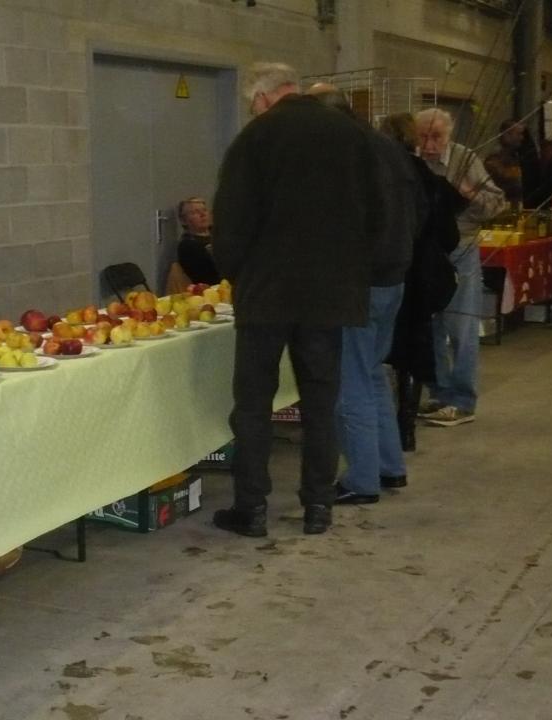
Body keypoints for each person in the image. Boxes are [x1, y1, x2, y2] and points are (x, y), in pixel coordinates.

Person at [211, 62, 378, 536]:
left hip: (267, 293)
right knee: (321, 402)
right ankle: (318, 507)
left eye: (252, 104)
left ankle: (252, 508)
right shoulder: (351, 135)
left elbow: (233, 217)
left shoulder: (256, 139)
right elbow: (376, 209)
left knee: (253, 404)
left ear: (263, 98)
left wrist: (234, 271)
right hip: (328, 294)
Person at [304, 83, 415, 506]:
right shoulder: (387, 147)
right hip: (393, 276)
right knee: (371, 373)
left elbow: (336, 222)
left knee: (348, 381)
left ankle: (362, 479)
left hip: (357, 282)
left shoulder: (340, 154)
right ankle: (389, 465)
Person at [413, 108, 506, 428]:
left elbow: (497, 204)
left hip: (461, 250)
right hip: (426, 252)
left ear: (449, 135)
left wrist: (469, 194)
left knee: (461, 326)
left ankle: (463, 400)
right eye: (423, 136)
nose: (429, 144)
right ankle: (439, 394)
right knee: (431, 325)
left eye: (436, 136)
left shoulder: (465, 159)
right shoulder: (414, 160)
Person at [381, 113, 461, 451]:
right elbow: (450, 236)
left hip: (386, 275)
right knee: (413, 352)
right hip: (421, 280)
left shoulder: (380, 176)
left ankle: (385, 427)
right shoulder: (431, 180)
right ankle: (406, 428)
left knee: (381, 354)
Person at [484, 119, 540, 207]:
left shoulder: (517, 157)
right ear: (507, 135)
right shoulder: (495, 158)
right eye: (518, 134)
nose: (522, 138)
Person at [175, 197, 221, 285]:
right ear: (184, 220)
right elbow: (209, 275)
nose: (202, 214)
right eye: (195, 212)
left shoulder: (220, 235)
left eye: (204, 210)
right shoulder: (187, 246)